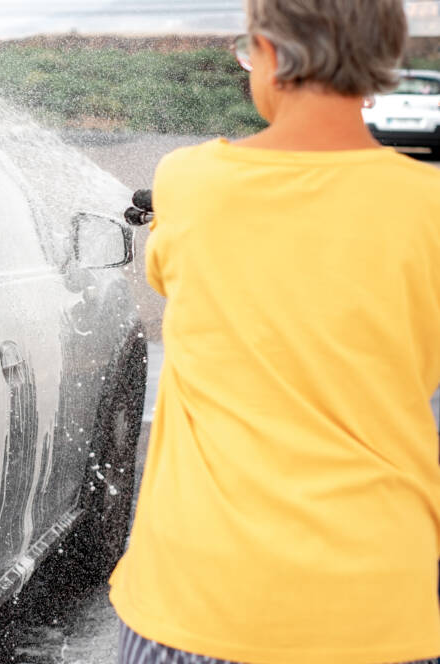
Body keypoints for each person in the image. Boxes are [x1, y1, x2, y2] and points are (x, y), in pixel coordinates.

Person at [109, 1, 440, 662]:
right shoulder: (429, 208)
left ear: (270, 54)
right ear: (386, 61)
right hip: (380, 605)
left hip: (199, 597)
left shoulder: (189, 182)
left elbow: (170, 273)